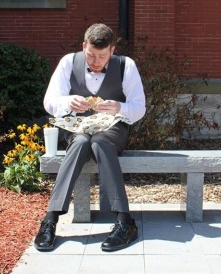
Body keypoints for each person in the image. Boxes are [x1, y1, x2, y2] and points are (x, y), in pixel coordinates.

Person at [34, 23, 146, 252]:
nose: (95, 62)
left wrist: (119, 107)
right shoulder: (68, 62)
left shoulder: (127, 65)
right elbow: (49, 101)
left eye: (102, 56)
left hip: (113, 127)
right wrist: (67, 102)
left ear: (112, 51)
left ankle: (125, 222)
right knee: (82, 141)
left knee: (100, 141)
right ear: (83, 46)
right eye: (90, 55)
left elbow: (139, 107)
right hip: (77, 126)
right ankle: (50, 220)